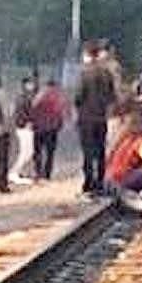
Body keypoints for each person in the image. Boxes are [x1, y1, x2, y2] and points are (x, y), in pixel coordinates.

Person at [75, 42, 116, 198]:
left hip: (86, 118)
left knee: (88, 152)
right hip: (101, 117)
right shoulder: (107, 73)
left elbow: (78, 96)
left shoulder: (84, 73)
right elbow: (112, 96)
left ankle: (88, 184)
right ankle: (100, 182)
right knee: (100, 151)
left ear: (86, 55)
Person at [32, 79, 70, 180]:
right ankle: (47, 174)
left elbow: (33, 107)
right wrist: (60, 124)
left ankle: (38, 172)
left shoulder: (40, 95)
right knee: (50, 153)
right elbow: (61, 111)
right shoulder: (58, 96)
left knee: (38, 151)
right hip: (52, 128)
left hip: (39, 127)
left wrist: (33, 121)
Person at [9, 77, 37, 185]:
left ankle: (19, 172)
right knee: (27, 152)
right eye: (30, 84)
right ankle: (14, 172)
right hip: (24, 127)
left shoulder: (24, 97)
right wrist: (27, 122)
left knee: (27, 152)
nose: (32, 86)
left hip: (23, 126)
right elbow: (22, 112)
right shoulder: (23, 98)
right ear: (25, 85)